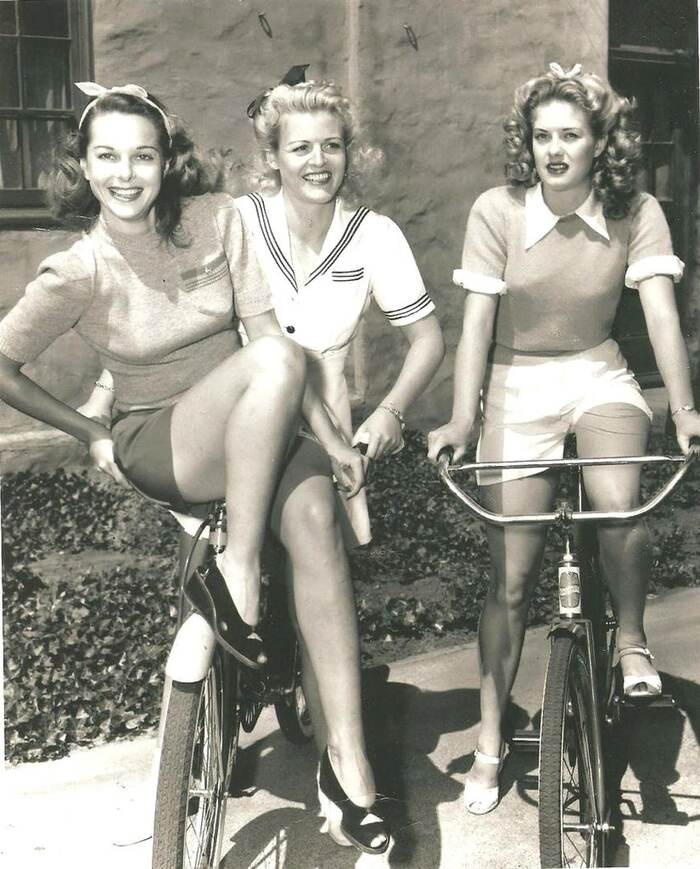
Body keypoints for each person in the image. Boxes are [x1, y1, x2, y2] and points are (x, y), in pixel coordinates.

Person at [0, 82, 390, 854]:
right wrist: (90, 431)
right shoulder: (77, 271)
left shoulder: (220, 221)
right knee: (275, 358)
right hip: (162, 437)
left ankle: (350, 771)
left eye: (142, 154)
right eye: (106, 156)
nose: (125, 172)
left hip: (262, 423)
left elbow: (267, 336)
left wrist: (335, 443)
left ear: (166, 160)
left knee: (314, 516)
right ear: (81, 166)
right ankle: (238, 570)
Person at [427, 62, 700, 816]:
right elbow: (476, 326)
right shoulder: (497, 211)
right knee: (510, 578)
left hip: (597, 374)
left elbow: (660, 315)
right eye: (541, 135)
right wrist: (460, 417)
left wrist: (684, 408)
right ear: (527, 142)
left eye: (570, 135)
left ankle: (633, 642)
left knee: (619, 504)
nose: (554, 150)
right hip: (516, 383)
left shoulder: (637, 209)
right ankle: (490, 741)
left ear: (599, 141)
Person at [238, 71, 444, 546]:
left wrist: (391, 411)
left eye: (332, 145)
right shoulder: (240, 221)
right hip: (241, 411)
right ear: (272, 157)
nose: (319, 161)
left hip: (327, 420)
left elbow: (428, 339)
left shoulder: (376, 234)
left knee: (314, 549)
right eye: (300, 148)